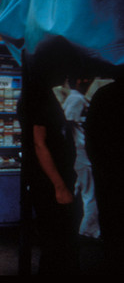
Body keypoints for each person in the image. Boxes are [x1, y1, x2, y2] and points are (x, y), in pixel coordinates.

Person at [17, 36, 81, 274]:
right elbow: (39, 144)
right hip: (50, 184)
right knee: (56, 244)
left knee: (56, 244)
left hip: (52, 180)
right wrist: (59, 186)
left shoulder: (40, 92)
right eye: (62, 66)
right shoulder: (37, 96)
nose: (65, 74)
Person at [85, 71, 124, 274]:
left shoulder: (103, 95)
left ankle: (112, 262)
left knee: (111, 223)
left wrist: (100, 167)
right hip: (111, 170)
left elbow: (90, 135)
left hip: (107, 172)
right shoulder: (105, 95)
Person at [62, 75, 100, 240]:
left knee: (78, 189)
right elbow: (67, 124)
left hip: (78, 152)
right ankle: (89, 230)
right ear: (80, 80)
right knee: (89, 192)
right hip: (80, 152)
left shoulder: (77, 98)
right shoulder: (76, 99)